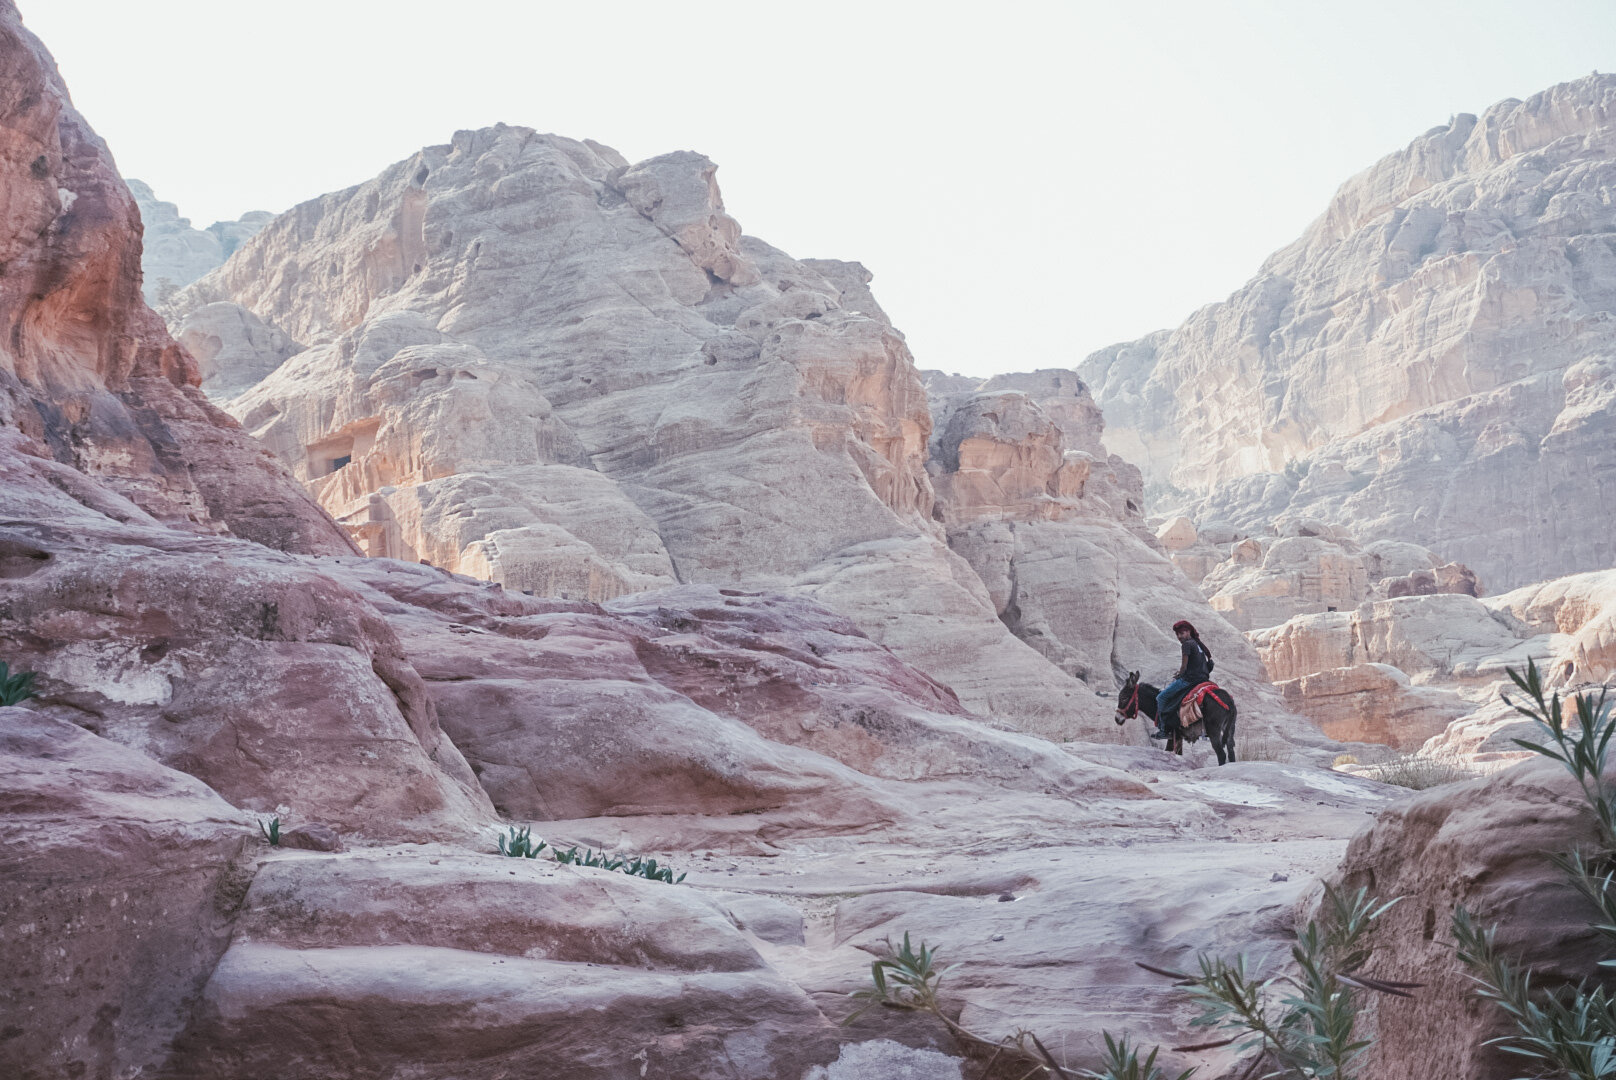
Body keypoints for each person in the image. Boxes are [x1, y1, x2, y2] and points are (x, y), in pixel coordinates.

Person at [1151, 620, 1214, 739]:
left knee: (1161, 697)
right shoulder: (1197, 643)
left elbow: (1184, 666)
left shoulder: (1187, 644)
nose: (1180, 637)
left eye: (1182, 633)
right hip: (1203, 679)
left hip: (1190, 680)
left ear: (1188, 631)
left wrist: (1179, 674)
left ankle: (1163, 730)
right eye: (1177, 634)